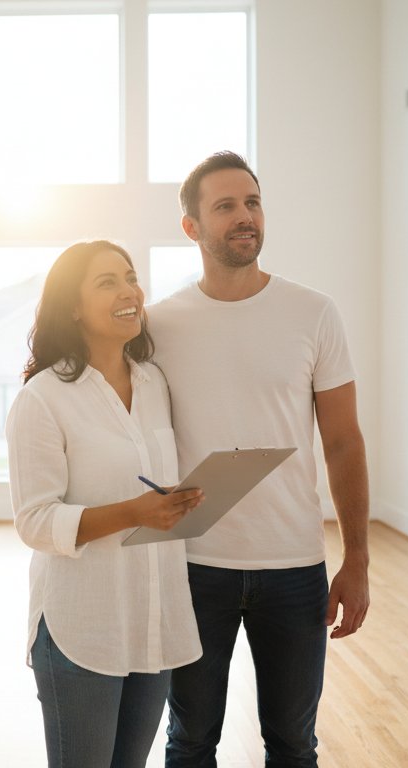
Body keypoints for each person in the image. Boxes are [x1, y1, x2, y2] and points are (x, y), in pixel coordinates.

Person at [149, 151, 371, 768]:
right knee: (189, 742)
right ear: (192, 227)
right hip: (195, 566)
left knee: (295, 746)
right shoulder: (160, 325)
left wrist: (357, 560)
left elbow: (344, 441)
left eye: (252, 202)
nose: (244, 217)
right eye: (225, 206)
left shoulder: (314, 312)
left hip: (295, 566)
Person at [6, 239, 207, 768]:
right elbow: (34, 521)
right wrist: (134, 512)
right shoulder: (42, 398)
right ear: (72, 307)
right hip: (81, 627)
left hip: (151, 617)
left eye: (130, 276)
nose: (129, 292)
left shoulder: (155, 382)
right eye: (106, 282)